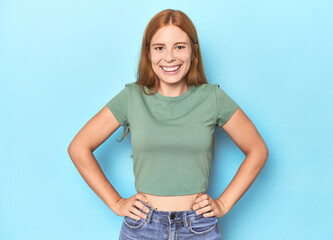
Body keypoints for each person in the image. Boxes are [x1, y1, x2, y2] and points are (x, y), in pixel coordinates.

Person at [68, 9, 268, 240]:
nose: (170, 57)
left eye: (179, 47)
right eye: (160, 47)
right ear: (149, 53)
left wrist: (223, 204)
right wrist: (116, 202)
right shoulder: (132, 98)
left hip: (198, 228)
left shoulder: (212, 98)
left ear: (194, 51)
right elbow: (78, 147)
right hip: (142, 227)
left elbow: (258, 150)